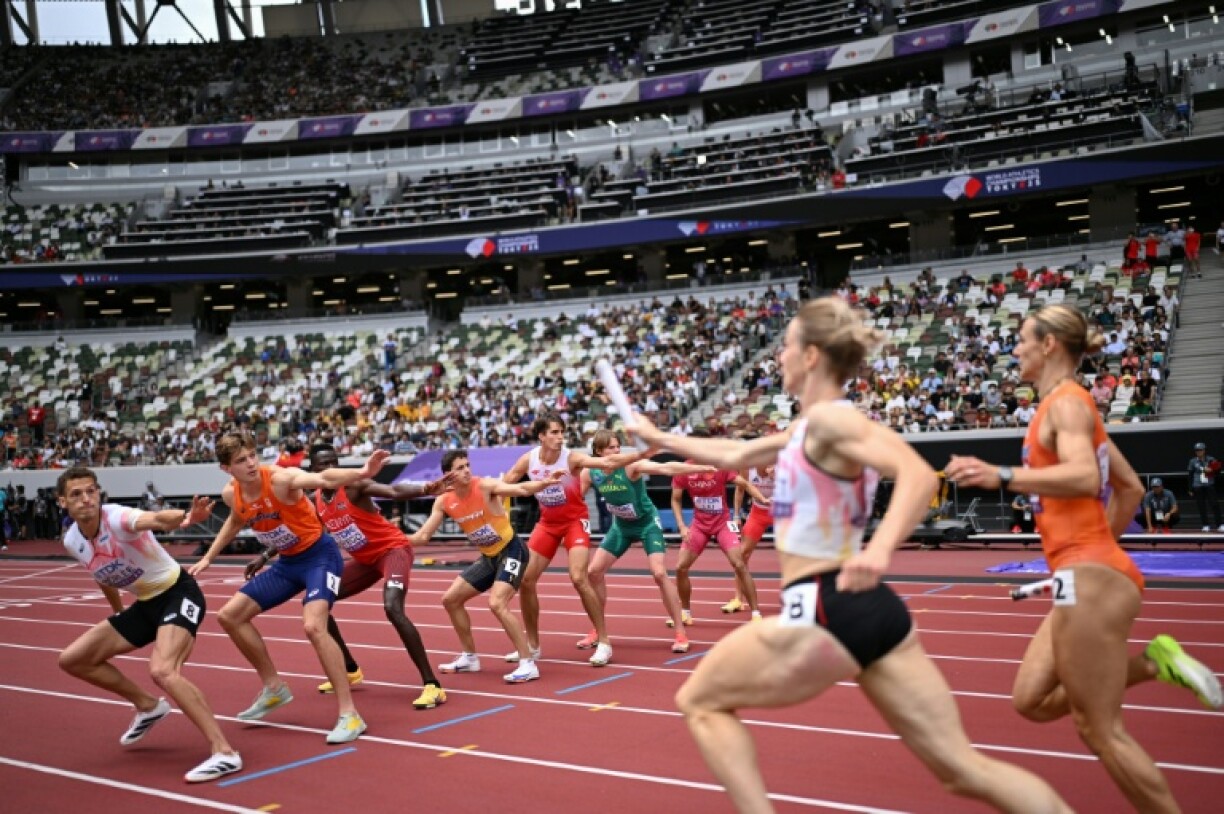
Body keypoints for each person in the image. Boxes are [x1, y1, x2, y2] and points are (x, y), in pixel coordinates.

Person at [627, 297, 1073, 814]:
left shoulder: (834, 424)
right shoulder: (805, 428)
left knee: (699, 701)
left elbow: (917, 474)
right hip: (875, 614)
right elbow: (736, 454)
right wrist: (658, 438)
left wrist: (881, 549)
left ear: (812, 355)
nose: (779, 357)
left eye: (787, 345)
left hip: (821, 606)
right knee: (962, 771)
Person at [946, 303, 1222, 812]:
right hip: (1084, 573)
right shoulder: (1065, 406)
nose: (1016, 349)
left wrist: (1002, 476)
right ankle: (1153, 664)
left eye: (1023, 339)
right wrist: (1096, 554)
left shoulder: (1067, 404)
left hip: (1088, 573)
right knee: (1030, 699)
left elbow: (1083, 478)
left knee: (1100, 731)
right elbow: (1130, 488)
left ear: (1049, 344)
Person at [188, 433, 391, 745]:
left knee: (313, 626)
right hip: (287, 563)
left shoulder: (281, 480)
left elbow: (322, 477)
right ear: (226, 468)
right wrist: (208, 556)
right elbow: (234, 521)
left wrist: (362, 473)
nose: (251, 463)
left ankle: (350, 714)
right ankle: (274, 687)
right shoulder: (232, 494)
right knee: (230, 616)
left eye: (252, 455)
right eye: (241, 461)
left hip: (320, 558)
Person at [56, 466, 242, 783]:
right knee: (73, 659)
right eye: (76, 494)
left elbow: (156, 519)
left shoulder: (117, 518)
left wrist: (184, 518)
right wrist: (117, 612)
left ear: (99, 493)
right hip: (144, 605)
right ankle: (147, 705)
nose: (86, 499)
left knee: (163, 670)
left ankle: (225, 752)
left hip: (177, 593)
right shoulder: (73, 540)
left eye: (91, 491)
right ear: (62, 502)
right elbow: (102, 574)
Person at [244, 443, 455, 710]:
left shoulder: (354, 487)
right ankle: (350, 669)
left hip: (393, 551)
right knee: (318, 605)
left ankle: (432, 685)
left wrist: (425, 489)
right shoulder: (315, 501)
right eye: (324, 464)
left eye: (334, 461)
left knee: (392, 607)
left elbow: (392, 491)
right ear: (313, 471)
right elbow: (297, 530)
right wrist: (264, 556)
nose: (331, 468)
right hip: (365, 561)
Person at [501, 414, 646, 666]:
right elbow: (504, 483)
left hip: (574, 523)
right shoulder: (529, 459)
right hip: (547, 524)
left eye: (562, 432)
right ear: (541, 436)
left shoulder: (572, 458)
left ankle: (603, 641)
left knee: (579, 577)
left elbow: (608, 460)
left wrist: (642, 453)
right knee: (526, 580)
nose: (560, 437)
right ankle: (532, 646)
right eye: (554, 433)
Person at [413, 449, 565, 684]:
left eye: (467, 465)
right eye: (459, 468)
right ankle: (470, 657)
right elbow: (423, 536)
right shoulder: (443, 501)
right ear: (447, 475)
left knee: (497, 603)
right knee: (450, 600)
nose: (466, 471)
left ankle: (527, 663)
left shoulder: (484, 486)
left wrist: (544, 483)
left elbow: (521, 489)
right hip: (488, 558)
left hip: (512, 550)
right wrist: (389, 540)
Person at [579, 429, 717, 657]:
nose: (616, 451)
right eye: (610, 448)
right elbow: (575, 498)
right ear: (598, 451)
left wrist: (698, 467)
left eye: (617, 447)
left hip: (646, 524)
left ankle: (680, 633)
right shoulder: (590, 472)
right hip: (621, 526)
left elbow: (665, 468)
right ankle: (598, 629)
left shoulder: (631, 466)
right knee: (593, 572)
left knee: (659, 573)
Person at [670, 435, 765, 624]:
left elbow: (744, 484)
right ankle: (685, 613)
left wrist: (761, 499)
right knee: (680, 567)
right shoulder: (684, 470)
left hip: (722, 523)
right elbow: (675, 499)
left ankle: (756, 614)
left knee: (739, 564)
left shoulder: (719, 466)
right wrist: (681, 525)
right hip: (699, 524)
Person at [726, 455, 775, 614]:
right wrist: (736, 515)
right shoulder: (748, 468)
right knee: (741, 555)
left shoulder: (782, 466)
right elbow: (740, 489)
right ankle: (738, 599)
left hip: (782, 512)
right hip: (758, 513)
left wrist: (777, 477)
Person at [1188, 441, 1222, 531]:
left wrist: (1212, 470)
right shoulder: (1193, 461)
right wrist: (1190, 489)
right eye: (1197, 450)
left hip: (1209, 484)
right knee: (1201, 506)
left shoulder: (1211, 459)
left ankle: (1220, 524)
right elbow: (1190, 475)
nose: (1198, 452)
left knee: (1214, 504)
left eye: (1200, 450)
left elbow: (1218, 471)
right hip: (1198, 485)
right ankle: (1205, 525)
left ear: (1204, 450)